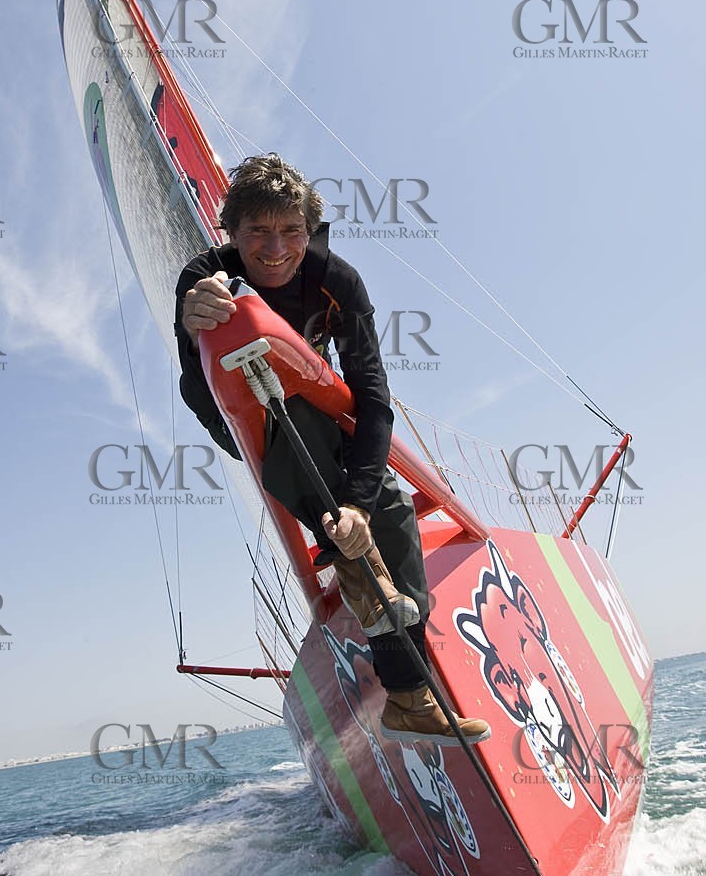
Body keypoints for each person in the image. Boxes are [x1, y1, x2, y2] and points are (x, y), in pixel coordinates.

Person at [174, 153, 487, 745]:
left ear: (309, 230)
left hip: (321, 401)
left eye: (291, 230)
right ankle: (362, 577)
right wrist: (198, 320)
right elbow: (195, 380)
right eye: (257, 233)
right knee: (274, 384)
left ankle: (410, 698)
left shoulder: (336, 280)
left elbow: (372, 398)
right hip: (243, 416)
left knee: (390, 505)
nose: (275, 248)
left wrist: (359, 506)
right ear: (231, 233)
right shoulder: (204, 277)